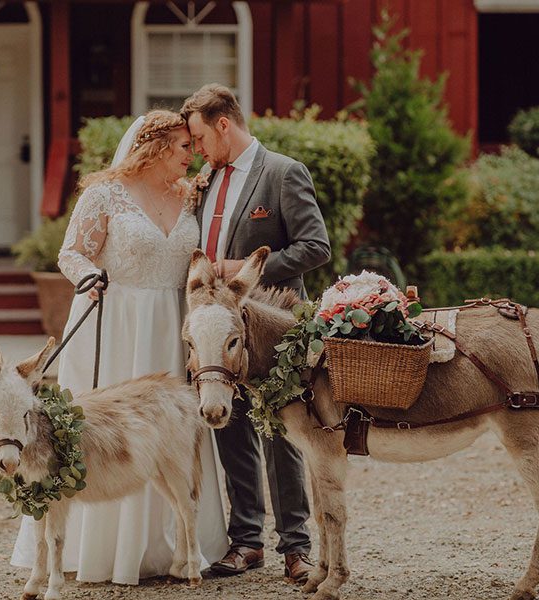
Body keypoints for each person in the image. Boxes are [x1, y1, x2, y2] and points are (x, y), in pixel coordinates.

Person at [10, 110, 228, 585]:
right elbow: (70, 251)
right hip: (117, 322)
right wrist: (88, 278)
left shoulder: (189, 195)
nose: (191, 153)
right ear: (156, 147)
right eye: (183, 146)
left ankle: (176, 546)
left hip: (174, 321)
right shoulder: (104, 194)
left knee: (170, 430)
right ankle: (102, 550)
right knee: (108, 430)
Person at [180, 84, 331, 584]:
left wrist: (243, 270)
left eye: (200, 137)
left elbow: (315, 247)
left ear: (224, 123)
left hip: (270, 331)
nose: (197, 149)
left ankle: (296, 547)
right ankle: (246, 542)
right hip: (215, 331)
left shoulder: (284, 173)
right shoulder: (206, 179)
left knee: (281, 436)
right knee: (231, 430)